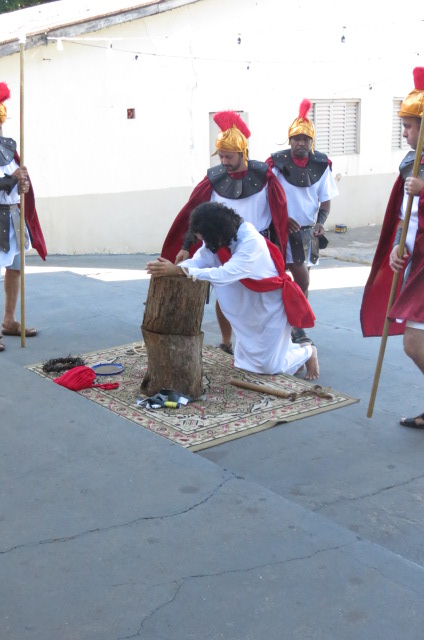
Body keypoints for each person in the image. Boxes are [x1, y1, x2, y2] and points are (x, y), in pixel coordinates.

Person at [161, 110, 289, 356]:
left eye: (228, 156)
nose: (223, 161)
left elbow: (278, 214)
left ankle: (265, 345)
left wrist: (284, 251)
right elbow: (196, 214)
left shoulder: (265, 177)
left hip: (257, 246)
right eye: (220, 156)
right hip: (222, 245)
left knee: (259, 299)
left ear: (242, 153)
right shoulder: (213, 180)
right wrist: (186, 246)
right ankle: (226, 341)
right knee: (225, 293)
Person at [148, 202, 319, 380]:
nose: (203, 243)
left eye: (204, 238)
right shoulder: (221, 239)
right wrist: (177, 267)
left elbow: (225, 273)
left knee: (268, 366)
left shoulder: (250, 242)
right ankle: (293, 356)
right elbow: (200, 260)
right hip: (244, 310)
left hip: (268, 309)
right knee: (245, 363)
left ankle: (307, 351)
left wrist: (180, 271)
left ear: (216, 232)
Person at [360, 67, 424, 428]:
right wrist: (399, 246)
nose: (404, 132)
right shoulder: (411, 164)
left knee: (414, 344)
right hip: (417, 265)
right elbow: (404, 217)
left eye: (409, 125)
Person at [266, 99, 338, 345]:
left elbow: (325, 202)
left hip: (309, 234)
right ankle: (293, 327)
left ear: (311, 141)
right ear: (290, 140)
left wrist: (320, 222)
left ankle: (296, 326)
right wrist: (282, 218)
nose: (301, 142)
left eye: (305, 139)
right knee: (297, 280)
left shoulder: (321, 165)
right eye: (297, 138)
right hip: (281, 232)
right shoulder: (277, 164)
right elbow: (267, 197)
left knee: (304, 281)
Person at [0, 82, 47, 352]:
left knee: (16, 267)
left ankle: (9, 320)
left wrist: (22, 184)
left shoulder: (7, 148)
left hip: (13, 216)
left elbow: (14, 183)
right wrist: (11, 179)